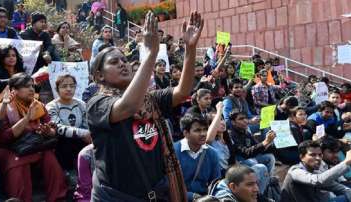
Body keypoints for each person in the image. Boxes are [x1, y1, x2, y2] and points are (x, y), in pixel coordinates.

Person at [87, 11, 204, 201]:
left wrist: (190, 49)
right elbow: (128, 107)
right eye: (114, 62)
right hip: (116, 196)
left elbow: (182, 92)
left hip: (155, 192)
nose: (123, 64)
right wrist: (150, 53)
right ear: (100, 76)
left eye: (124, 60)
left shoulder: (149, 99)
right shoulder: (97, 104)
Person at [0, 73, 67, 201]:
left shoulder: (38, 105)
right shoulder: (3, 109)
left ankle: (58, 198)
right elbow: (2, 139)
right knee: (18, 161)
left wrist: (48, 131)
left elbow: (52, 129)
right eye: (26, 86)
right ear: (14, 90)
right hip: (9, 149)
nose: (32, 89)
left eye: (32, 86)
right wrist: (26, 119)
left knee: (48, 156)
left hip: (33, 146)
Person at [280, 140, 351, 202]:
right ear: (302, 157)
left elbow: (334, 186)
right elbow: (318, 180)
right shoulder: (295, 171)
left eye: (320, 155)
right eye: (313, 155)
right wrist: (346, 162)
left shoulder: (314, 171)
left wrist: (348, 191)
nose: (318, 158)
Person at [46, 74, 91, 170]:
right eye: (64, 86)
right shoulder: (51, 106)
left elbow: (86, 124)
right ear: (57, 89)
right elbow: (58, 128)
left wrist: (86, 134)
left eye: (72, 86)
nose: (69, 89)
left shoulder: (81, 104)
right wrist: (84, 133)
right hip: (62, 142)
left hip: (81, 140)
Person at [174, 113, 221, 201]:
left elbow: (215, 183)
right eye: (197, 130)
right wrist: (192, 196)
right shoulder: (172, 153)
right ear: (186, 133)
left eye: (205, 129)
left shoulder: (212, 153)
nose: (203, 134)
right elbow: (167, 185)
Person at [229, 110, 275, 193]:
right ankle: (257, 195)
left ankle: (266, 185)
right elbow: (245, 153)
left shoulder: (246, 132)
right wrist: (265, 142)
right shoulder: (231, 134)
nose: (245, 120)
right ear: (233, 122)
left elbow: (257, 146)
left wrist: (269, 142)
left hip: (250, 159)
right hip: (239, 164)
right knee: (258, 166)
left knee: (269, 157)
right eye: (241, 119)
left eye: (246, 118)